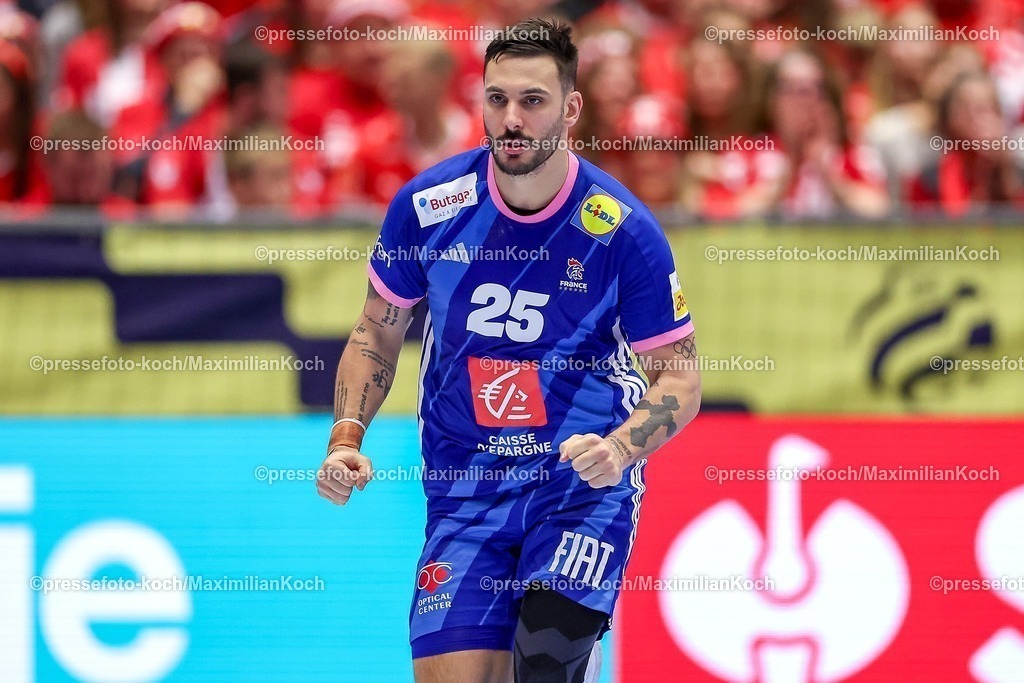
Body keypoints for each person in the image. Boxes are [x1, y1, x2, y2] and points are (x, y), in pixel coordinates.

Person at [315, 18, 702, 683]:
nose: (512, 119)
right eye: (497, 99)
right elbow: (376, 331)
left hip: (579, 485)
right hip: (466, 489)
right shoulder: (429, 208)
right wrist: (345, 437)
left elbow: (679, 379)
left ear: (570, 109)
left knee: (546, 658)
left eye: (532, 100)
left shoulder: (622, 230)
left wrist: (620, 449)